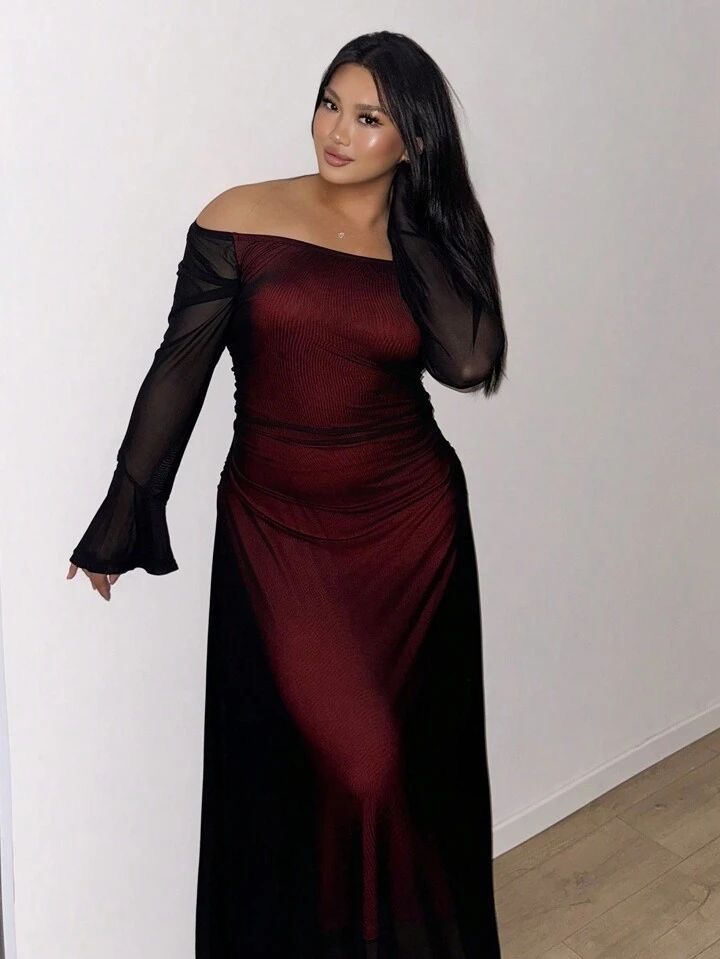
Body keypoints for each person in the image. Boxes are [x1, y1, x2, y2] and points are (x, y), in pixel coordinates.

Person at [67, 30, 507, 959]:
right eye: (330, 104)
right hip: (279, 529)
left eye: (370, 118)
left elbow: (469, 361)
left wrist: (413, 220)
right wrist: (124, 513)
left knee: (401, 773)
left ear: (414, 140)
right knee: (351, 765)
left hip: (411, 527)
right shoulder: (240, 217)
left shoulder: (426, 242)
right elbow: (178, 371)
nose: (337, 133)